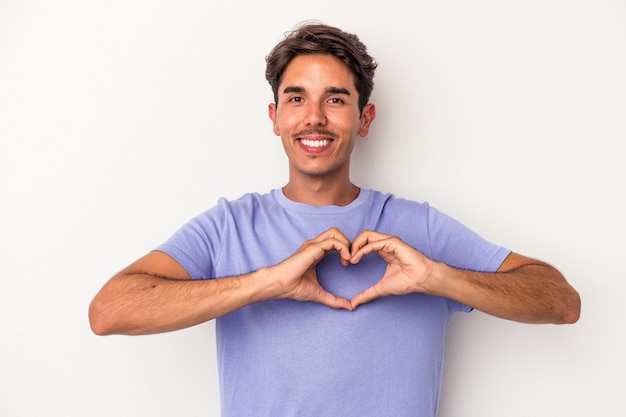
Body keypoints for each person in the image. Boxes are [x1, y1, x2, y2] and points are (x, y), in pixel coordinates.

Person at [89, 22, 581, 417]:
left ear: (364, 119)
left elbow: (561, 301)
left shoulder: (419, 227)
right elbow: (110, 311)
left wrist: (438, 277)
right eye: (297, 98)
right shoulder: (227, 227)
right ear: (275, 116)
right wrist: (266, 282)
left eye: (337, 99)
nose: (315, 117)